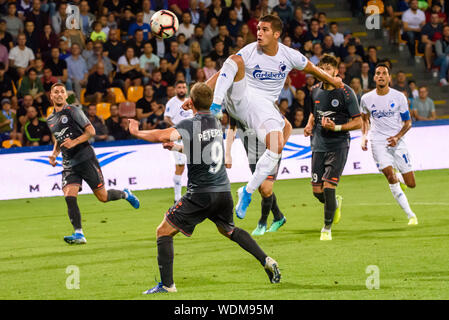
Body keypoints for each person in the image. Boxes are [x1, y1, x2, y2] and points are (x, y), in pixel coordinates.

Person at [128, 82, 281, 294]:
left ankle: (167, 285)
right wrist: (177, 147)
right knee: (229, 230)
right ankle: (266, 259)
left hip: (201, 193)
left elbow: (161, 135)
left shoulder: (190, 124)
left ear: (190, 102)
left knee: (163, 231)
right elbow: (202, 150)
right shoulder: (216, 122)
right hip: (223, 191)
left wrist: (136, 132)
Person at [203, 14, 343, 219]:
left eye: (265, 29)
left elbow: (312, 69)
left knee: (276, 145)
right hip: (243, 98)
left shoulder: (289, 55)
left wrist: (333, 80)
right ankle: (216, 105)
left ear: (276, 34)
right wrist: (204, 93)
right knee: (234, 60)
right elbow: (224, 71)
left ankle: (247, 192)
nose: (259, 33)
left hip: (265, 107)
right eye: (258, 28)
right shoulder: (249, 51)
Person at [46, 83, 140, 245]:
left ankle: (125, 194)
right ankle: (79, 233)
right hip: (69, 164)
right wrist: (54, 154)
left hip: (85, 158)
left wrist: (74, 142)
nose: (60, 94)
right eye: (56, 92)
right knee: (69, 195)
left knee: (103, 197)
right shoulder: (50, 119)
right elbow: (58, 138)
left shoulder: (74, 111)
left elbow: (91, 131)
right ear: (51, 96)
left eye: (62, 91)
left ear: (66, 96)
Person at [303, 54, 361, 241]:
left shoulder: (346, 92)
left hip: (338, 144)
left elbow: (358, 122)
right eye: (323, 68)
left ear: (336, 71)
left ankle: (326, 228)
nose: (326, 71)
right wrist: (309, 124)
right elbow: (314, 112)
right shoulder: (314, 90)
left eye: (329, 68)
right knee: (317, 191)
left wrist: (335, 127)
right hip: (318, 143)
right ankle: (334, 203)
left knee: (328, 185)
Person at [360, 63, 418, 226]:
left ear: (389, 77)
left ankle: (400, 178)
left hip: (398, 142)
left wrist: (397, 137)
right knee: (389, 175)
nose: (380, 76)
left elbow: (408, 122)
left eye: (384, 73)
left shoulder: (399, 97)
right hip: (378, 141)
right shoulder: (366, 98)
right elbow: (364, 119)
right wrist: (364, 136)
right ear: (374, 77)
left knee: (411, 184)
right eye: (378, 73)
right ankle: (410, 215)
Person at [226, 116, 289, 236]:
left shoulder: (263, 104)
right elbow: (231, 129)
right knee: (262, 189)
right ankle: (278, 217)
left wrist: (278, 148)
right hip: (253, 156)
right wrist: (228, 154)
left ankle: (262, 223)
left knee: (266, 189)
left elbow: (288, 126)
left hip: (270, 153)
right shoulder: (235, 108)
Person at [163, 80, 193, 202]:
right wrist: (176, 127)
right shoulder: (172, 102)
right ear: (175, 89)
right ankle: (177, 197)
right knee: (180, 165)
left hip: (191, 136)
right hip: (177, 137)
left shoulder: (190, 101)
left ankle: (191, 193)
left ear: (186, 89)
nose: (181, 90)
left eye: (184, 88)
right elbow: (166, 117)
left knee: (192, 164)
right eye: (179, 87)